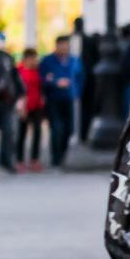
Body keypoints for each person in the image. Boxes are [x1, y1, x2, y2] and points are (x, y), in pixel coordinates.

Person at [37, 33, 81, 168]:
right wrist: (55, 82)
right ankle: (55, 157)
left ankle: (62, 154)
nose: (64, 48)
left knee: (68, 129)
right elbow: (42, 79)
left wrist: (76, 92)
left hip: (68, 98)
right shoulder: (47, 61)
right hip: (53, 99)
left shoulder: (74, 60)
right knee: (56, 128)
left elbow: (80, 78)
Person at [18, 47, 45, 171]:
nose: (33, 61)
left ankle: (35, 160)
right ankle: (20, 160)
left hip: (37, 106)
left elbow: (42, 86)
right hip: (23, 106)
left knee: (38, 133)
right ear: (25, 59)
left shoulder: (38, 71)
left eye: (35, 58)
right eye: (31, 58)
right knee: (21, 133)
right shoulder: (19, 70)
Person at [0, 31, 20, 173]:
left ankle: (6, 161)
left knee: (9, 132)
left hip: (6, 102)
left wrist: (21, 96)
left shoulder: (7, 58)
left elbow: (14, 79)